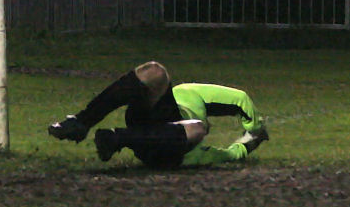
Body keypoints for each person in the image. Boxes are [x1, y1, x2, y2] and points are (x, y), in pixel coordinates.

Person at [48, 61, 269, 168]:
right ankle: (82, 122)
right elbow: (240, 99)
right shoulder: (188, 93)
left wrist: (247, 143)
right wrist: (255, 131)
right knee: (154, 72)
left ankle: (117, 138)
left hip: (159, 150)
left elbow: (229, 154)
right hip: (152, 123)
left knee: (196, 128)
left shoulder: (194, 149)